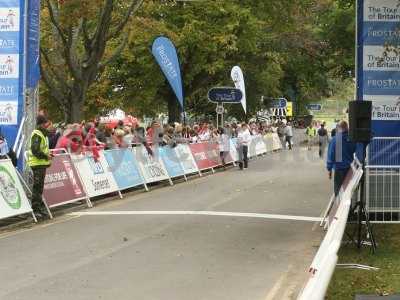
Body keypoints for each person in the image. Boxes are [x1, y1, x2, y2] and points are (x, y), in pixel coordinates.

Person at [27, 115, 53, 219]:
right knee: (37, 187)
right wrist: (46, 155)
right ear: (43, 123)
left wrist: (47, 154)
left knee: (39, 187)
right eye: (47, 123)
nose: (49, 125)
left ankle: (39, 208)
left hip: (41, 163)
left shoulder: (42, 134)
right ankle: (36, 209)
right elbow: (35, 150)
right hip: (37, 164)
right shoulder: (37, 134)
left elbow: (41, 149)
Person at [326, 121, 357, 197]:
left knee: (338, 189)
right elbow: (354, 149)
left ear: (339, 128)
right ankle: (348, 205)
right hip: (349, 168)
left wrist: (329, 169)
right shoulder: (351, 138)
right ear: (347, 128)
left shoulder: (337, 139)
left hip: (339, 168)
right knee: (348, 189)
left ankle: (339, 205)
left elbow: (331, 155)